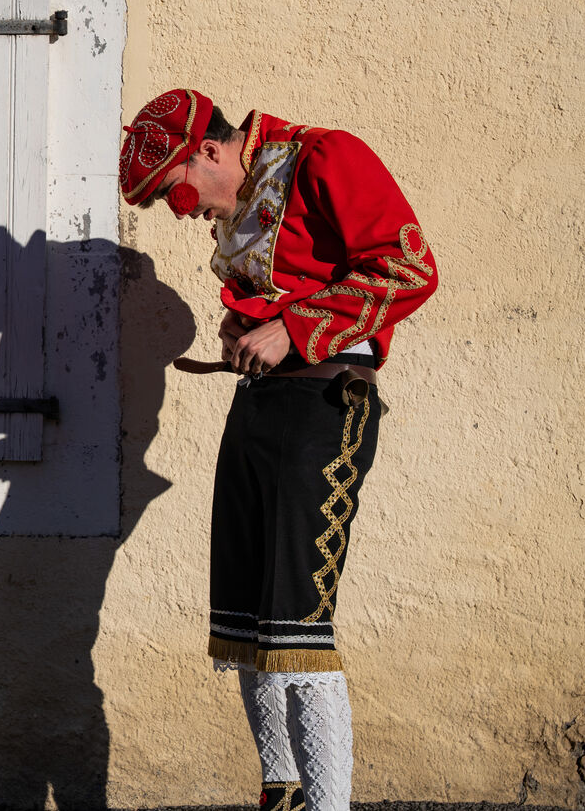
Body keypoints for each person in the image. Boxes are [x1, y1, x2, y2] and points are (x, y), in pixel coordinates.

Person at [119, 89, 438, 811]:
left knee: (299, 622)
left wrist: (294, 330)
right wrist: (240, 333)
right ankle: (283, 797)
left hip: (325, 403)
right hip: (260, 404)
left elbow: (409, 267)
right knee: (249, 622)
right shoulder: (240, 201)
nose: (183, 211)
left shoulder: (326, 156)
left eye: (176, 190)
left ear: (209, 149)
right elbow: (271, 297)